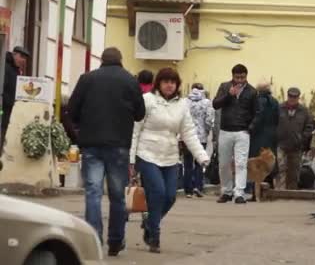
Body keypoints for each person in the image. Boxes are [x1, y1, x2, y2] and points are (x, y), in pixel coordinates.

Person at [68, 47, 145, 256]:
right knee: (117, 195)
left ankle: (94, 240)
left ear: (102, 60)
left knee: (93, 193)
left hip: (91, 144)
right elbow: (140, 114)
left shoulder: (86, 79)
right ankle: (115, 241)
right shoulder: (130, 80)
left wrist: (79, 133)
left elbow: (71, 110)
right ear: (120, 61)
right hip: (119, 146)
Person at [131, 68, 209, 253]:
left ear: (177, 85)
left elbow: (188, 133)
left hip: (170, 156)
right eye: (165, 81)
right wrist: (131, 159)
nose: (169, 85)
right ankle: (154, 237)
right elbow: (135, 130)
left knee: (170, 196)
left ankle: (150, 221)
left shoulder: (182, 105)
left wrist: (202, 156)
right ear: (158, 83)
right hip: (147, 154)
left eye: (173, 82)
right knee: (157, 192)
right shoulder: (147, 101)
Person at [213, 64, 260, 204]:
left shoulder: (252, 91)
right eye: (237, 77)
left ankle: (239, 192)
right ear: (232, 76)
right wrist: (229, 95)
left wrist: (250, 128)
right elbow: (215, 104)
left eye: (243, 77)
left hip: (242, 132)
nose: (240, 80)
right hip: (225, 130)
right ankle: (226, 191)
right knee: (224, 163)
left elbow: (257, 112)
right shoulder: (224, 87)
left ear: (246, 76)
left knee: (241, 163)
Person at [276, 87, 315, 190]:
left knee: (294, 171)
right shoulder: (279, 108)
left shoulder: (304, 111)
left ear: (298, 97)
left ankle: (292, 193)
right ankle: (280, 191)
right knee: (280, 168)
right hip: (281, 144)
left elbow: (309, 126)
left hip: (297, 146)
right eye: (290, 96)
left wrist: (303, 139)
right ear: (287, 96)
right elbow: (272, 123)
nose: (292, 98)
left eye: (295, 97)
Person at [247, 79, 279, 196]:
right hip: (271, 136)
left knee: (256, 165)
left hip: (256, 136)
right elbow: (277, 119)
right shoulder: (275, 102)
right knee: (268, 166)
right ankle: (269, 191)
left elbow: (254, 118)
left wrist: (250, 129)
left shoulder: (256, 101)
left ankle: (255, 193)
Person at [183, 83, 214, 198]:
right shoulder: (206, 102)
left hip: (186, 136)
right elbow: (209, 119)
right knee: (200, 162)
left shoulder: (185, 101)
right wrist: (207, 131)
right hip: (201, 136)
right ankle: (198, 187)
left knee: (187, 163)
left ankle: (188, 190)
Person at [1, 46, 29, 148]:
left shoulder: (16, 70)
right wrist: (12, 103)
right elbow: (3, 90)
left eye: (25, 58)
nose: (23, 60)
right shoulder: (6, 68)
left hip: (10, 113)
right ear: (14, 54)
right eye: (21, 56)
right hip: (3, 112)